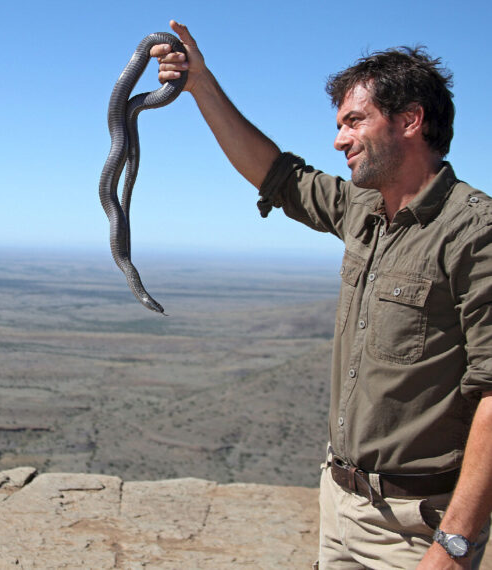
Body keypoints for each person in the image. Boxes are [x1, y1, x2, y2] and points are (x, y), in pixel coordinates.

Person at [152, 20, 492, 570]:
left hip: (415, 529)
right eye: (339, 125)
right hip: (339, 506)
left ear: (410, 120)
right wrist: (201, 85)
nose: (339, 139)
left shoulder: (476, 232)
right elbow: (278, 177)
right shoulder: (363, 211)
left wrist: (456, 542)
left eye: (354, 121)